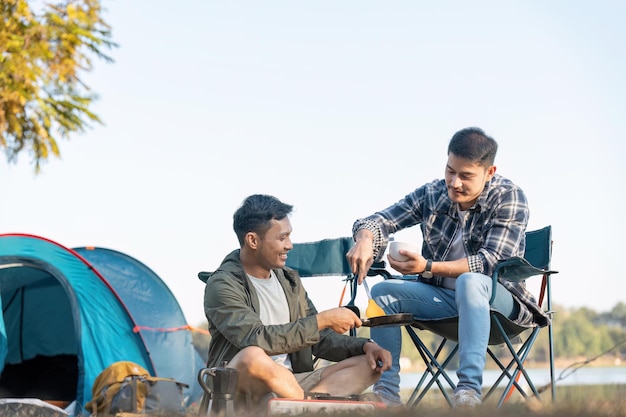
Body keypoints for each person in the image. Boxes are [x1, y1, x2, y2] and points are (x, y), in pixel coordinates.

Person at [346, 127, 550, 408]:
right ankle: (387, 397)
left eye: (466, 176)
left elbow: (490, 261)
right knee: (382, 293)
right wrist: (366, 239)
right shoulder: (433, 194)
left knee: (470, 280)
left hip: (498, 307)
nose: (454, 183)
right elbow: (381, 219)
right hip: (444, 303)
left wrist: (428, 266)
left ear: (489, 172)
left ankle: (467, 394)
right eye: (450, 170)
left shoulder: (509, 197)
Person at [203, 194, 392, 407]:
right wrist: (322, 319)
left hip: (292, 384)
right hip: (241, 388)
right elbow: (255, 339)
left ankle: (298, 408)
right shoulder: (223, 284)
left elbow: (319, 338)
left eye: (289, 236)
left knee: (368, 365)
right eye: (282, 238)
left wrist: (365, 346)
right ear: (253, 240)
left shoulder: (289, 280)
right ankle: (305, 407)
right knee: (253, 356)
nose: (289, 245)